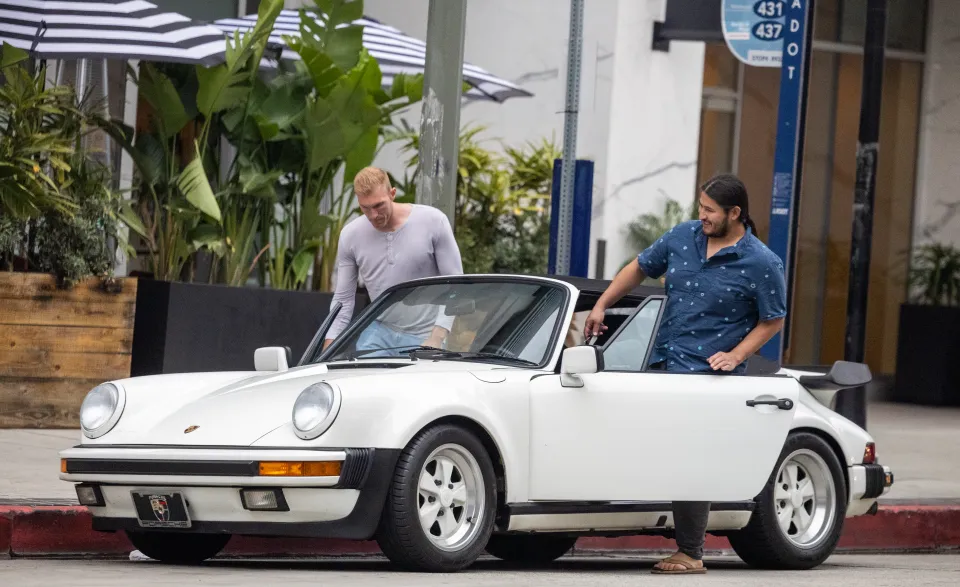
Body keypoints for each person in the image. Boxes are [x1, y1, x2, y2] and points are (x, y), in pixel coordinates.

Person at [583, 173, 788, 575]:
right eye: (700, 208)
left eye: (710, 210)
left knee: (690, 456)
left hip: (707, 377)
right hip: (662, 362)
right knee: (653, 448)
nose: (702, 216)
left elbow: (773, 319)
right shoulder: (683, 236)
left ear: (735, 213)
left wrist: (735, 355)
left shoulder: (761, 262)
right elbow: (638, 268)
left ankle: (691, 552)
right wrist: (602, 303)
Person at [322, 166, 463, 352]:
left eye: (378, 205)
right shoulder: (351, 235)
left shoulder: (433, 221)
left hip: (426, 335)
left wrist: (436, 337)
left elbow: (456, 284)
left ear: (392, 194)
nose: (373, 215)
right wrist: (327, 350)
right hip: (378, 331)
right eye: (365, 208)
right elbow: (343, 299)